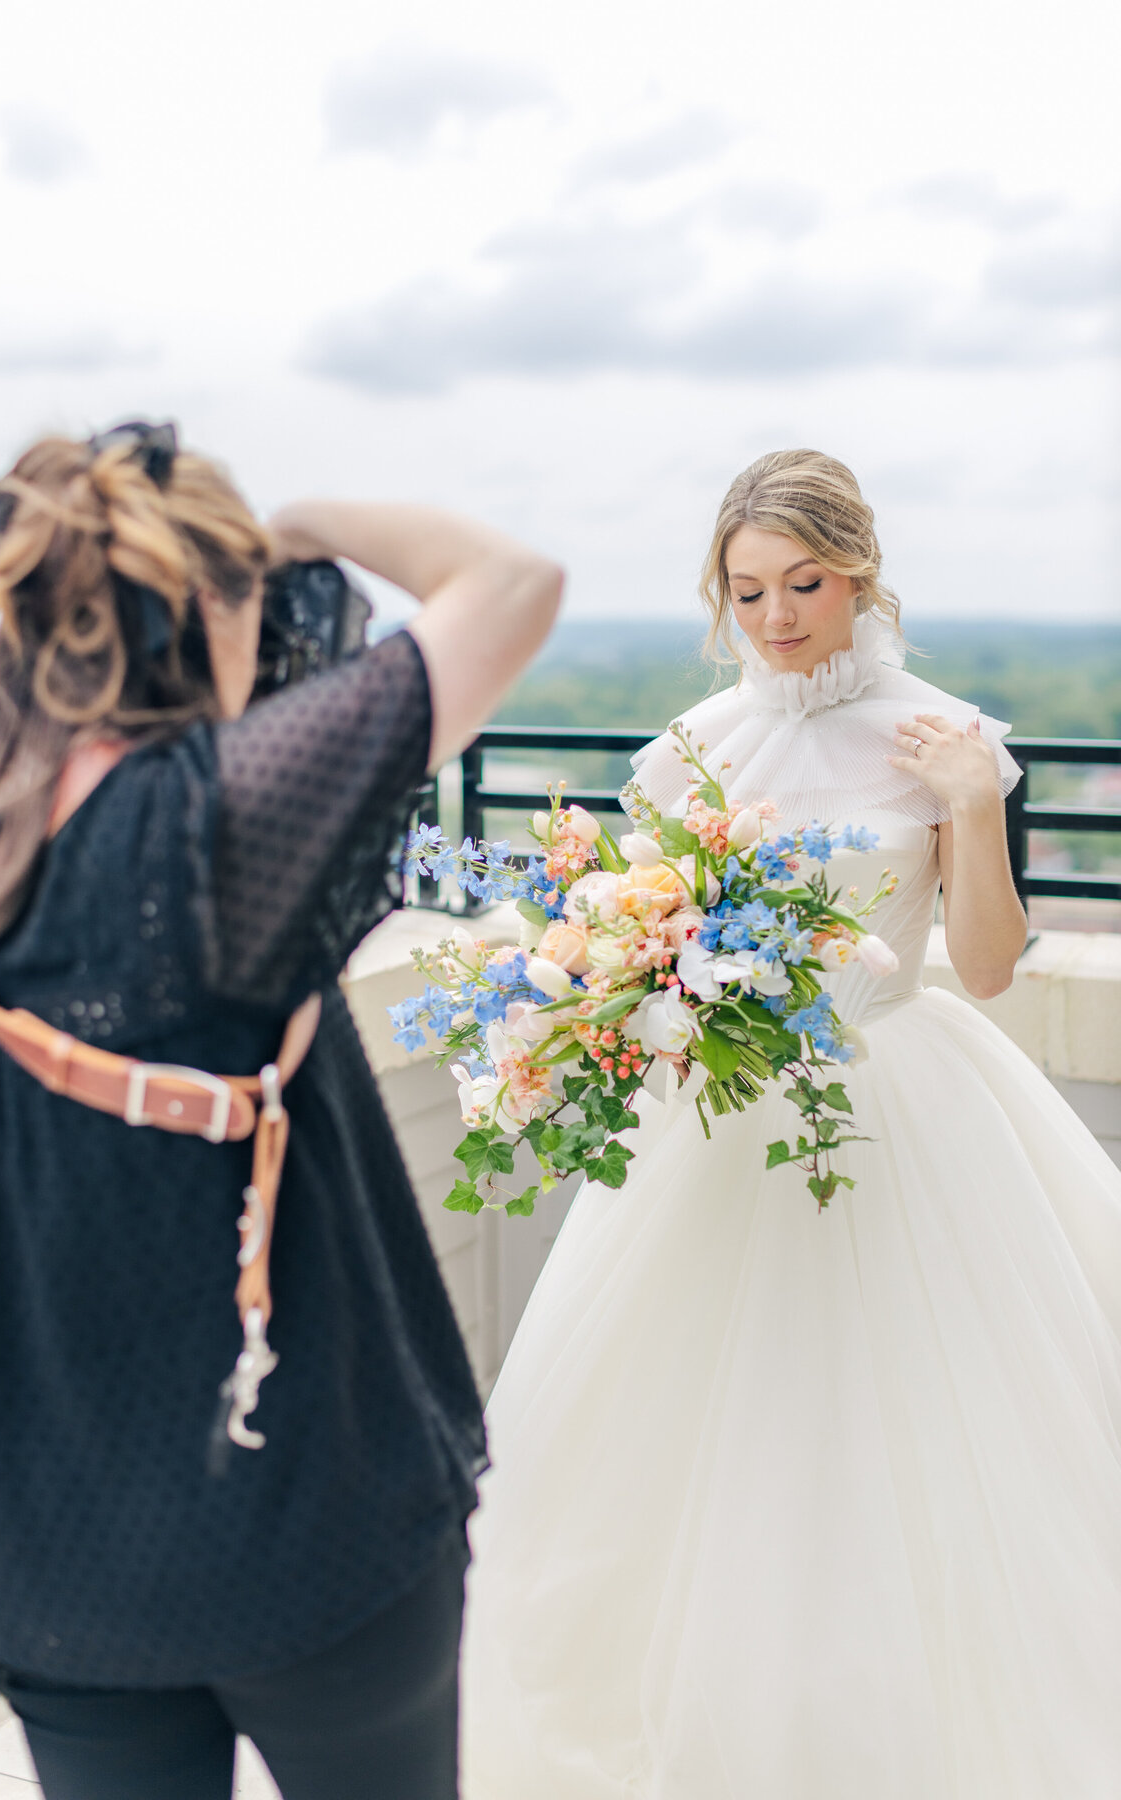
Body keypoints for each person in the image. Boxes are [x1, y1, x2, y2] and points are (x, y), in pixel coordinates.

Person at [461, 449, 1121, 1799]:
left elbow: (986, 968)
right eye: (746, 590)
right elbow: (637, 935)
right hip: (711, 1122)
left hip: (891, 1105)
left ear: (860, 574)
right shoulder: (690, 753)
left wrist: (973, 806)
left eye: (803, 584)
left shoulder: (949, 736)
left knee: (909, 1455)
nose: (774, 618)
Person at [0, 421, 562, 1799]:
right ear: (209, 601)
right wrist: (302, 524)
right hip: (310, 1525)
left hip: (53, 1553)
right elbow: (512, 585)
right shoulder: (217, 828)